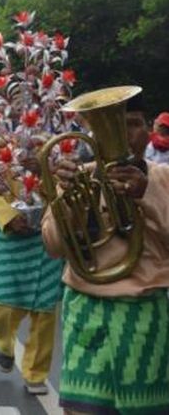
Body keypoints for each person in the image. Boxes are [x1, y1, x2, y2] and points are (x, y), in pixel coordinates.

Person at [42, 94, 169, 415]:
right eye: (114, 126)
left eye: (134, 124)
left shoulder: (162, 178)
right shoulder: (74, 178)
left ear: (148, 131)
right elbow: (54, 246)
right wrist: (69, 200)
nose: (126, 134)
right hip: (86, 308)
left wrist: (146, 195)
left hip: (146, 315)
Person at [0, 171, 63, 395]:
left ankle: (36, 373)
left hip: (48, 235)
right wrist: (10, 217)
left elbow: (64, 186)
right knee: (2, 305)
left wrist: (42, 168)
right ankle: (4, 345)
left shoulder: (54, 149)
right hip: (10, 239)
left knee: (45, 310)